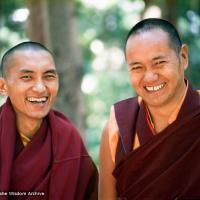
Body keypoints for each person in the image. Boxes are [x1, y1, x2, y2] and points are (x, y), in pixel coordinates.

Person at [99, 18, 200, 199]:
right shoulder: (118, 128)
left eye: (159, 63)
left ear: (183, 57)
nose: (150, 77)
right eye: (137, 67)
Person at [0, 41, 98, 200]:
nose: (40, 88)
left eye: (49, 76)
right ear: (3, 86)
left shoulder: (68, 137)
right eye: (27, 77)